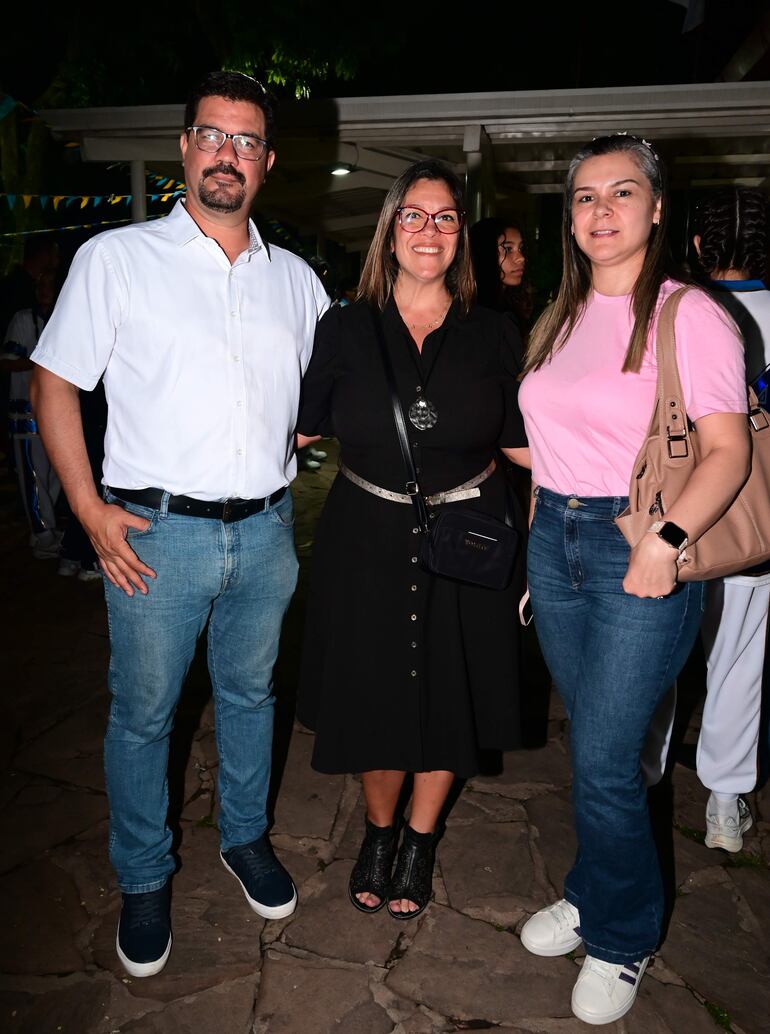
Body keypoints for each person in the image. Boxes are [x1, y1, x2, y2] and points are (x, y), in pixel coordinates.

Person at [30, 71, 329, 979]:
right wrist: (86, 509)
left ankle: (243, 839)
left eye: (246, 142)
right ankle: (145, 876)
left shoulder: (297, 279)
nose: (226, 155)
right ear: (185, 147)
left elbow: (322, 395)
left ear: (267, 162)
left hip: (268, 532)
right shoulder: (118, 259)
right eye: (211, 135)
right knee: (143, 718)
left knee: (249, 698)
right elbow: (55, 382)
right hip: (157, 539)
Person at [517, 135, 750, 1025]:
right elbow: (547, 448)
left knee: (610, 764)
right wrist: (539, 558)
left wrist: (666, 539)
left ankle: (623, 936)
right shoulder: (561, 314)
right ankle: (591, 889)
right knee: (594, 751)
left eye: (621, 193)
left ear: (657, 208)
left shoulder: (690, 314)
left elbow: (727, 451)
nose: (600, 211)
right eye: (583, 197)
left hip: (638, 545)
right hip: (559, 544)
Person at [295, 158, 529, 921]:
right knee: (373, 697)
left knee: (449, 695)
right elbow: (292, 429)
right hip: (364, 536)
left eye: (446, 218)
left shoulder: (495, 333)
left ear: (462, 236)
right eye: (414, 216)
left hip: (468, 536)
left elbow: (531, 446)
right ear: (390, 229)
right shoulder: (345, 326)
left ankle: (421, 840)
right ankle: (380, 830)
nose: (429, 231)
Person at [691, 188, 770, 849]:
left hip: (676, 518)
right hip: (754, 525)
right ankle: (724, 804)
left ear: (695, 245)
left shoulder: (677, 312)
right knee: (740, 661)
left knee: (656, 660)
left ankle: (643, 773)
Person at [1, 269, 62, 558]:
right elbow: (7, 361)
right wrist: (41, 362)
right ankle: (43, 535)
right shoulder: (23, 319)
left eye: (50, 283)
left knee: (58, 475)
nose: (45, 289)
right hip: (26, 413)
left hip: (59, 412)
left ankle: (46, 530)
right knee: (34, 475)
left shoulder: (64, 317)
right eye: (41, 283)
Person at [469, 217, 532, 334]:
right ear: (485, 254)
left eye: (520, 248)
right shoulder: (473, 316)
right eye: (508, 249)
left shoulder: (513, 305)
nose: (521, 258)